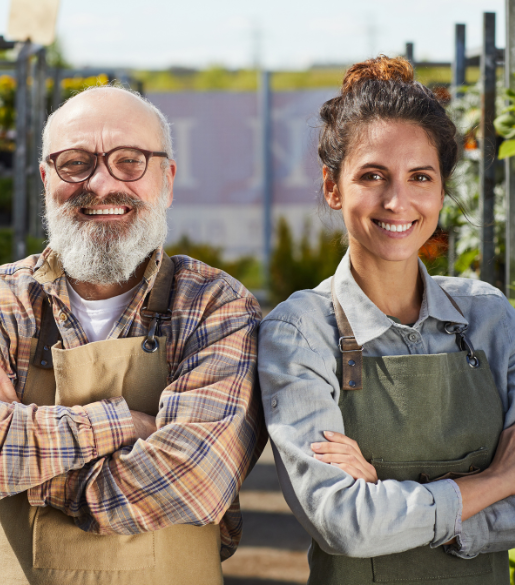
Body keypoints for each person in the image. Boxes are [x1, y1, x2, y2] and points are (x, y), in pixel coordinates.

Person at [0, 85, 265, 585]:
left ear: (167, 180)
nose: (102, 183)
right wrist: (124, 424)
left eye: (129, 161)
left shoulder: (214, 306)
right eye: (75, 162)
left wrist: (18, 451)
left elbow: (192, 479)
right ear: (46, 179)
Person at [258, 56, 515, 585]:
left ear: (441, 191)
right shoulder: (301, 330)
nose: (398, 201)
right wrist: (497, 480)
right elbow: (344, 524)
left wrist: (393, 503)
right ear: (333, 187)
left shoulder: (488, 314)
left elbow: (366, 518)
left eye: (420, 176)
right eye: (372, 175)